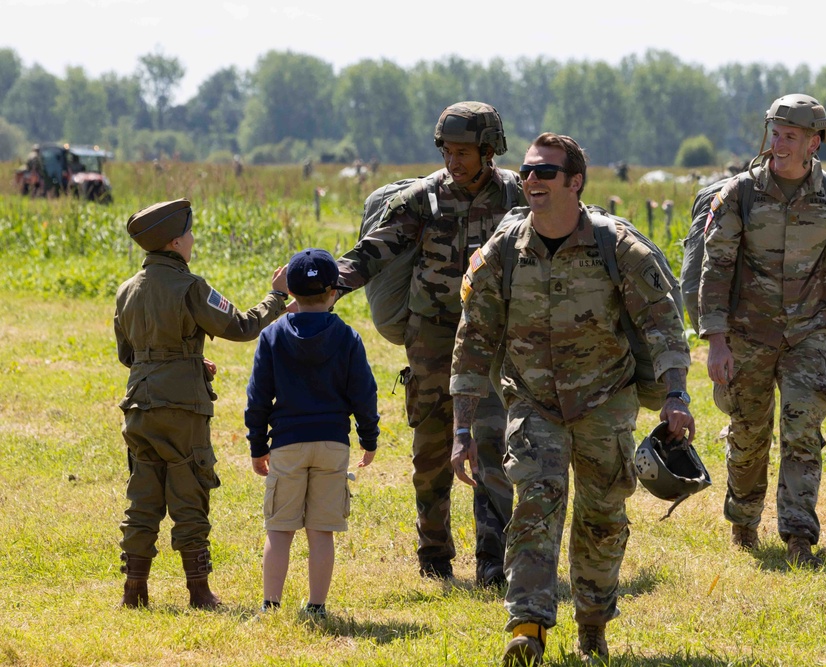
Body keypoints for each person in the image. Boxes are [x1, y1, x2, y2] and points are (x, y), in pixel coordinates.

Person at [450, 132, 694, 665]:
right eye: (527, 172)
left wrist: (676, 395)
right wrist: (463, 429)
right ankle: (528, 625)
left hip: (604, 400)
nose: (531, 181)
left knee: (602, 519)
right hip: (533, 402)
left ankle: (592, 623)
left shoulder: (618, 248)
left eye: (545, 173)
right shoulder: (503, 253)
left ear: (575, 182)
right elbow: (473, 340)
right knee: (535, 505)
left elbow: (662, 325)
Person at [335, 101, 524, 587]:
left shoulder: (518, 197)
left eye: (463, 152)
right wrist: (328, 284)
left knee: (492, 442)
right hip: (433, 334)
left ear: (489, 151)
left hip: (493, 336)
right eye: (447, 151)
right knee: (431, 449)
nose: (453, 162)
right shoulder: (424, 198)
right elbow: (376, 248)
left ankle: (492, 561)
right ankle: (434, 552)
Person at [699, 93, 826, 567]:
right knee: (748, 434)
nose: (777, 144)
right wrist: (715, 341)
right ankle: (743, 522)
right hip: (747, 334)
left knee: (803, 432)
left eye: (789, 136)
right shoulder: (738, 194)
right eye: (774, 133)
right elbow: (716, 269)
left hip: (808, 335)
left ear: (813, 144)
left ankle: (799, 535)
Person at [114, 198, 289, 609]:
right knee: (189, 493)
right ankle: (198, 591)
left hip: (138, 405)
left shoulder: (126, 291)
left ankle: (134, 590)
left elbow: (129, 354)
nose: (192, 241)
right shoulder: (191, 287)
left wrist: (183, 357)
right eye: (189, 235)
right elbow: (243, 326)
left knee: (142, 498)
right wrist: (276, 296)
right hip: (181, 408)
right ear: (176, 242)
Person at [245, 248, 379, 617]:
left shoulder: (272, 336)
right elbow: (364, 394)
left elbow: (257, 397)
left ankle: (271, 605)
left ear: (289, 292)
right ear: (334, 291)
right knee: (321, 531)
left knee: (280, 529)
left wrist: (258, 446)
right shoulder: (348, 337)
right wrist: (369, 439)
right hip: (333, 444)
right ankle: (316, 607)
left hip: (287, 445)